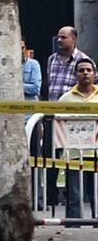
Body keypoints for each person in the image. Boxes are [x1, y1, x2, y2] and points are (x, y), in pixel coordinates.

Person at [47, 27, 91, 218]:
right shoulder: (52, 59)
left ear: (73, 39)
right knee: (51, 163)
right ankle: (51, 199)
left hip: (77, 127)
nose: (59, 40)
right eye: (58, 37)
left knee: (82, 171)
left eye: (64, 37)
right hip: (53, 119)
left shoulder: (83, 60)